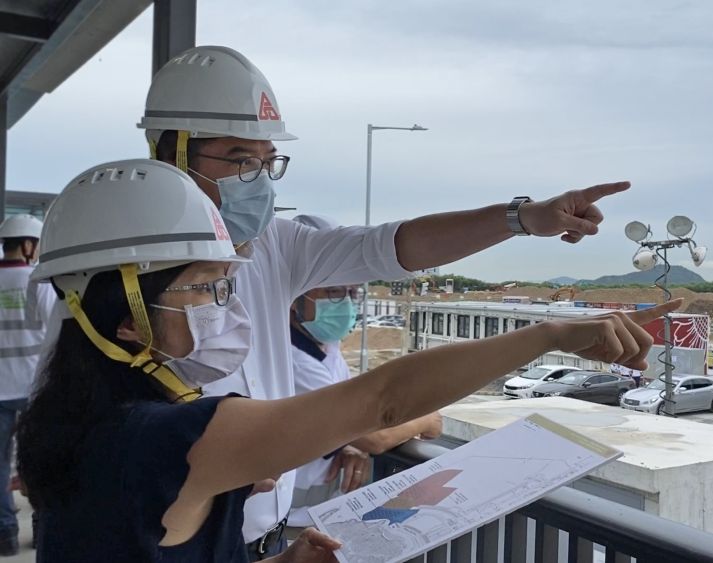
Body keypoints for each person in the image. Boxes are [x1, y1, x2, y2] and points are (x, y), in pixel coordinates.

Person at [15, 158, 678, 562]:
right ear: (127, 316)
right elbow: (380, 401)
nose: (225, 305)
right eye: (205, 288)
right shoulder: (160, 436)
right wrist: (546, 335)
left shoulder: (88, 415)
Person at [135, 45, 632, 557]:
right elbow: (383, 400)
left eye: (268, 163)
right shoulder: (122, 274)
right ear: (172, 154)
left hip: (256, 540)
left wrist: (523, 219)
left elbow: (392, 246)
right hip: (162, 538)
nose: (258, 182)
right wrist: (549, 335)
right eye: (240, 161)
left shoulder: (273, 245)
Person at [285, 216, 443, 529]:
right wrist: (426, 419)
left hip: (311, 521)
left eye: (351, 292)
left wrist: (345, 439)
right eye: (332, 291)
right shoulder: (293, 358)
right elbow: (373, 435)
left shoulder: (323, 348)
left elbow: (351, 420)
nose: (344, 302)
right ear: (293, 296)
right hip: (282, 529)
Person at [0, 214, 54, 556]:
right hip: (35, 387)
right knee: (38, 460)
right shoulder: (39, 281)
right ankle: (39, 530)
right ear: (28, 245)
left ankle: (5, 534)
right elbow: (54, 331)